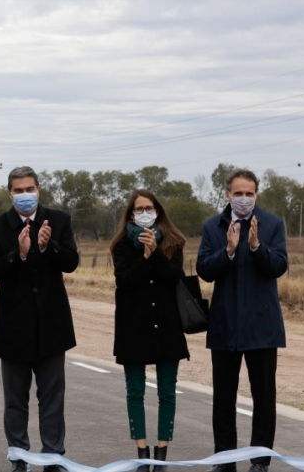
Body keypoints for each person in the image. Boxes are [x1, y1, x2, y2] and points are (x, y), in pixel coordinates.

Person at [0, 166, 79, 472]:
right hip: (14, 327)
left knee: (52, 398)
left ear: (39, 189)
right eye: (19, 190)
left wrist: (46, 246)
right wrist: (20, 254)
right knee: (15, 400)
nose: (25, 195)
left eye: (30, 189)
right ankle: (19, 457)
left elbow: (71, 262)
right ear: (10, 193)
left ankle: (53, 457)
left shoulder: (59, 220)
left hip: (52, 325)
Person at [197, 169, 288, 472]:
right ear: (227, 195)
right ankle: (225, 461)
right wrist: (229, 250)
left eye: (249, 193)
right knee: (223, 400)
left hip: (262, 327)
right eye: (239, 193)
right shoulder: (213, 227)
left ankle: (260, 461)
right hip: (225, 326)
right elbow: (205, 270)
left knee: (263, 400)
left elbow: (278, 266)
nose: (244, 199)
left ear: (256, 194)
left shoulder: (272, 225)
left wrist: (255, 247)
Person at [110, 190, 190, 472]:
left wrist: (155, 252)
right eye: (138, 209)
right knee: (135, 392)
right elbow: (125, 283)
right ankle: (142, 452)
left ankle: (161, 454)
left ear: (158, 211)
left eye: (149, 207)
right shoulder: (120, 245)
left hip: (167, 325)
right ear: (131, 214)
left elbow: (172, 279)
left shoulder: (174, 242)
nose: (144, 212)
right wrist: (144, 259)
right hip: (133, 326)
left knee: (167, 392)